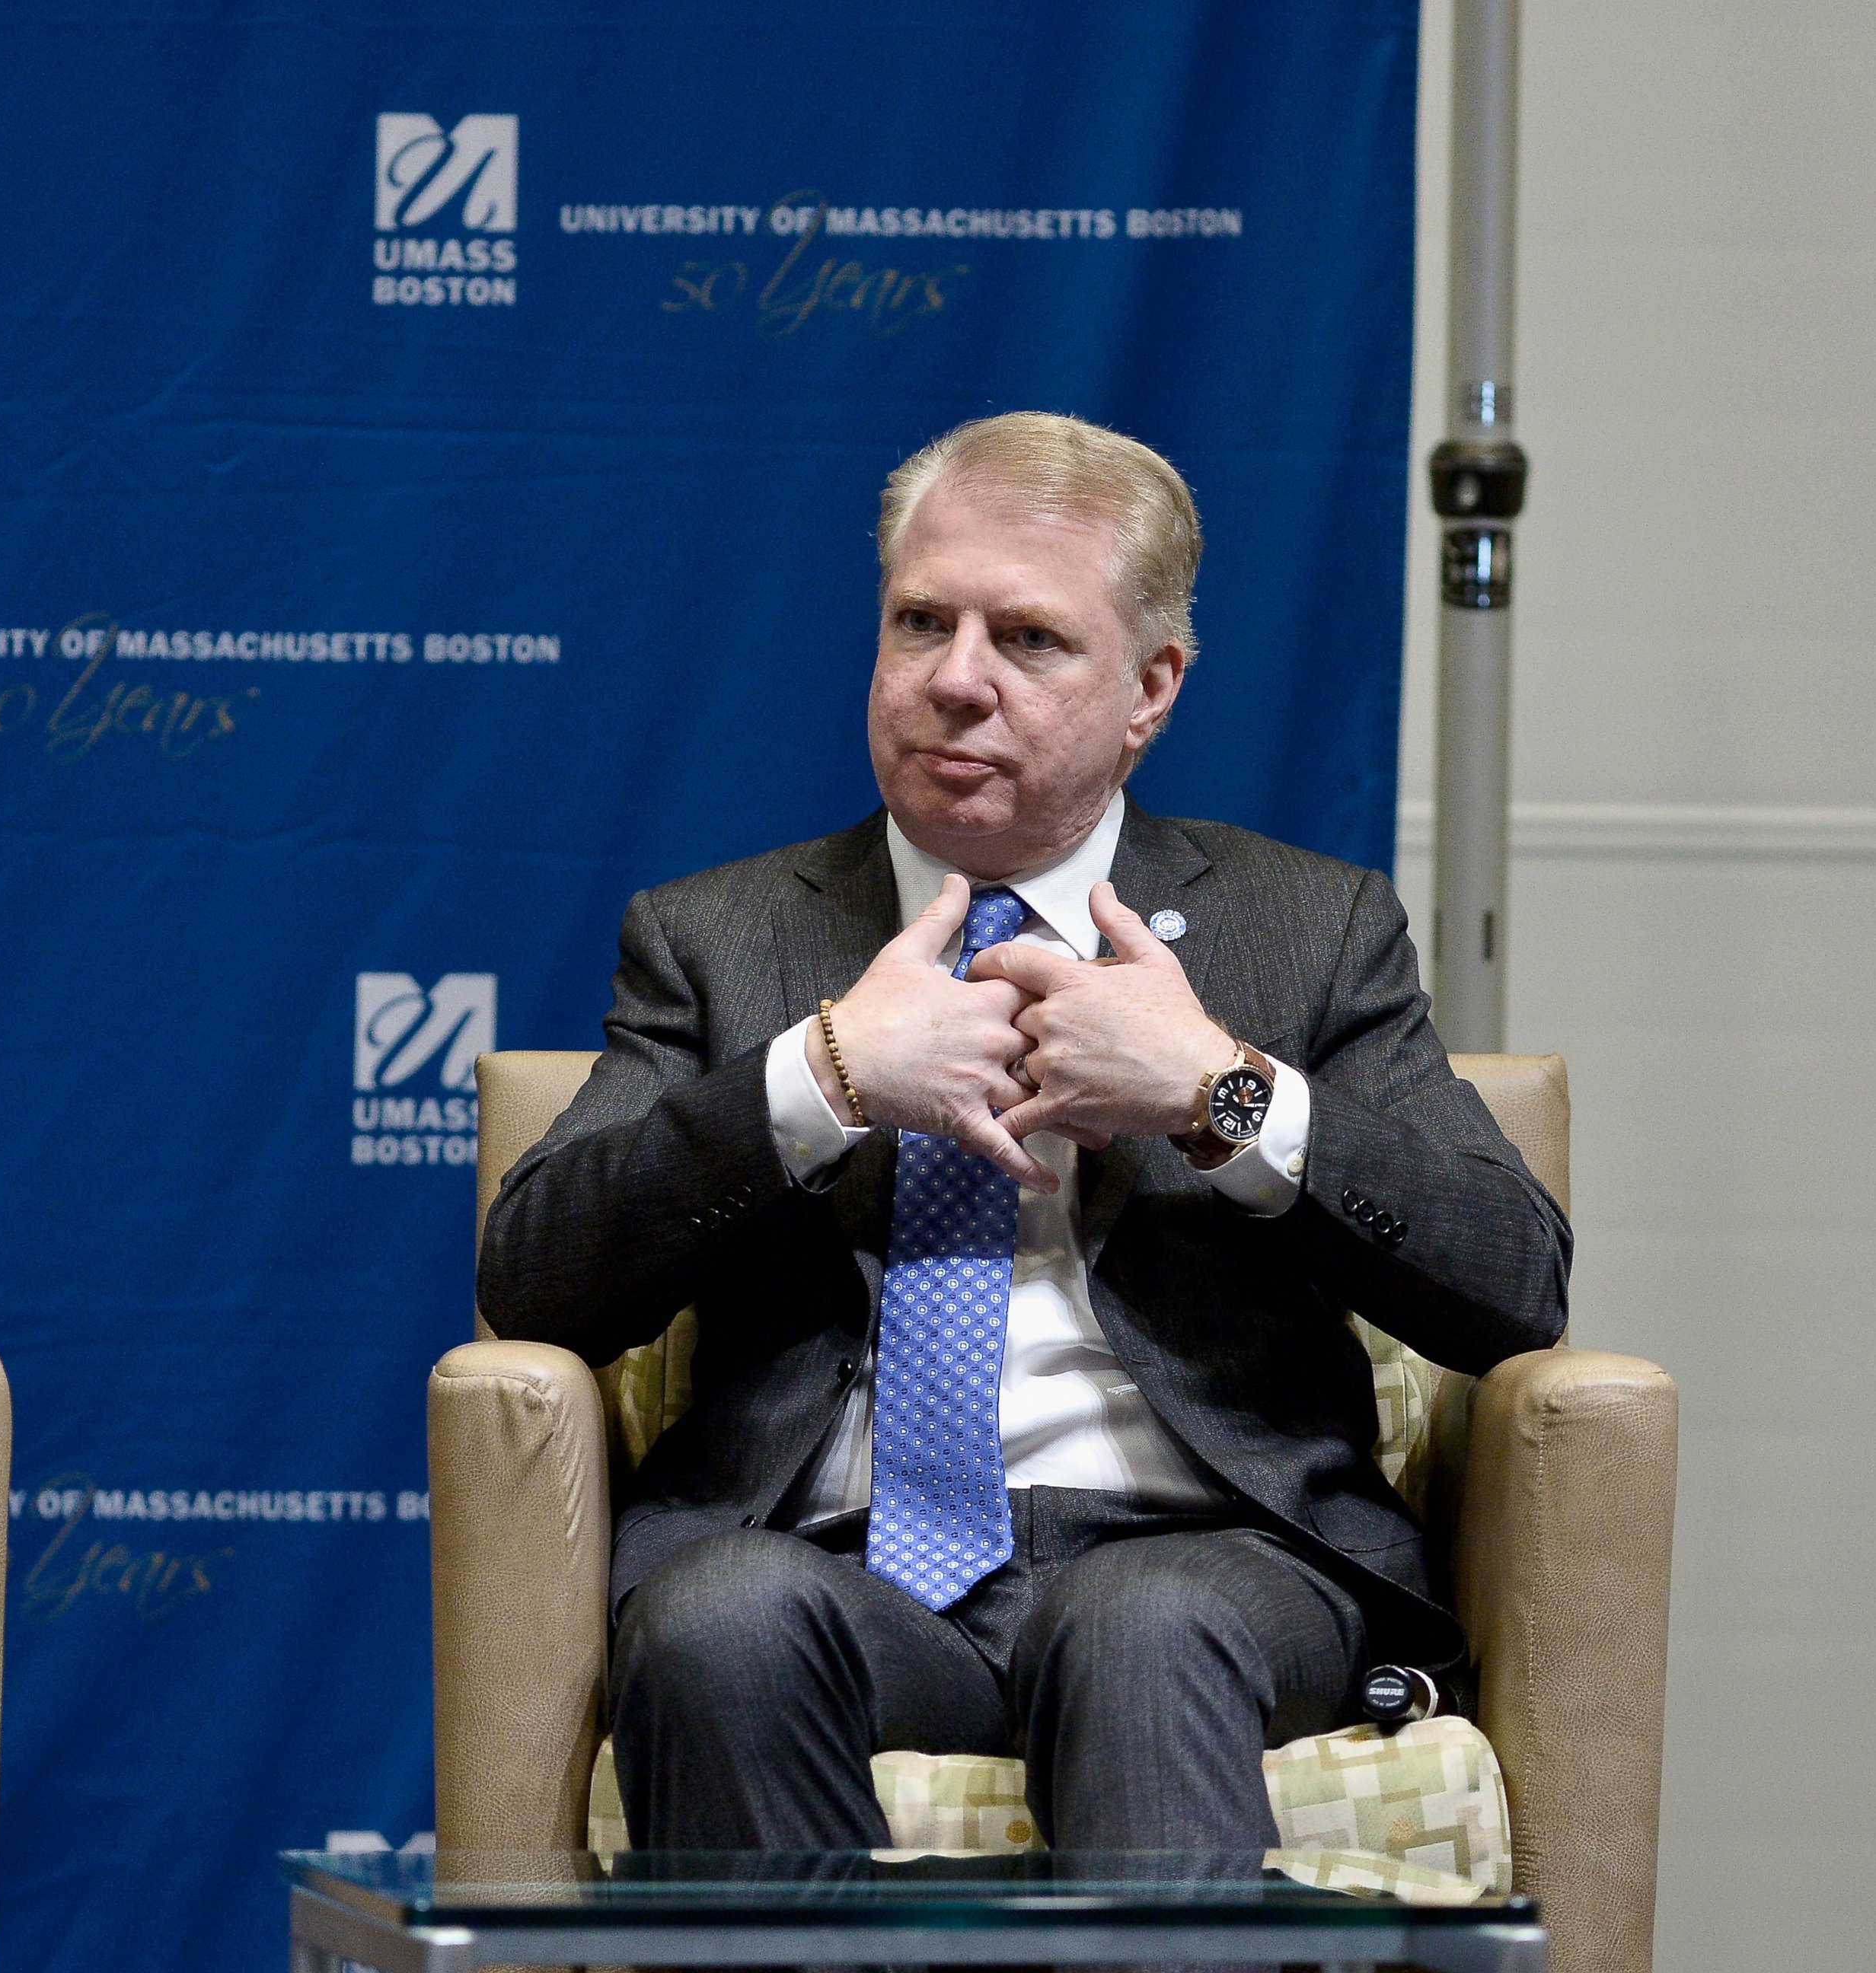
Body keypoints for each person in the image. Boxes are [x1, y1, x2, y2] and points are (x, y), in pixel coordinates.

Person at [477, 411, 1570, 1856]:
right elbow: (537, 1278)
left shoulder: (1308, 929)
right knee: (716, 1617)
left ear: (1151, 687)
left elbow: (1513, 1284)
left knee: (1141, 1623)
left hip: (1212, 1560)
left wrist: (1215, 1091)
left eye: (1031, 640)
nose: (955, 682)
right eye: (920, 622)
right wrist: (821, 1077)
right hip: (839, 1569)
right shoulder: (715, 939)